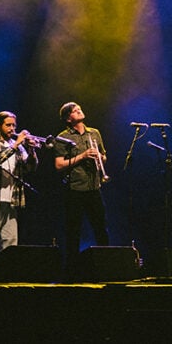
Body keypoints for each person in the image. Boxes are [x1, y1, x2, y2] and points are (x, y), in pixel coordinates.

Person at [0, 111, 39, 282]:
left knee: (11, 242)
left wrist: (31, 149)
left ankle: (6, 277)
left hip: (12, 201)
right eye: (8, 125)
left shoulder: (17, 146)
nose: (12, 129)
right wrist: (15, 145)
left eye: (14, 126)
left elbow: (30, 167)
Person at [53, 102, 110, 270]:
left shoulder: (94, 133)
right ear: (68, 118)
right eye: (74, 111)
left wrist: (99, 157)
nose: (79, 110)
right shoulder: (63, 137)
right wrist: (83, 156)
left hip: (94, 186)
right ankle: (72, 270)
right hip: (75, 188)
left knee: (101, 228)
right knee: (73, 231)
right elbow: (58, 165)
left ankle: (106, 266)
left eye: (79, 108)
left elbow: (104, 157)